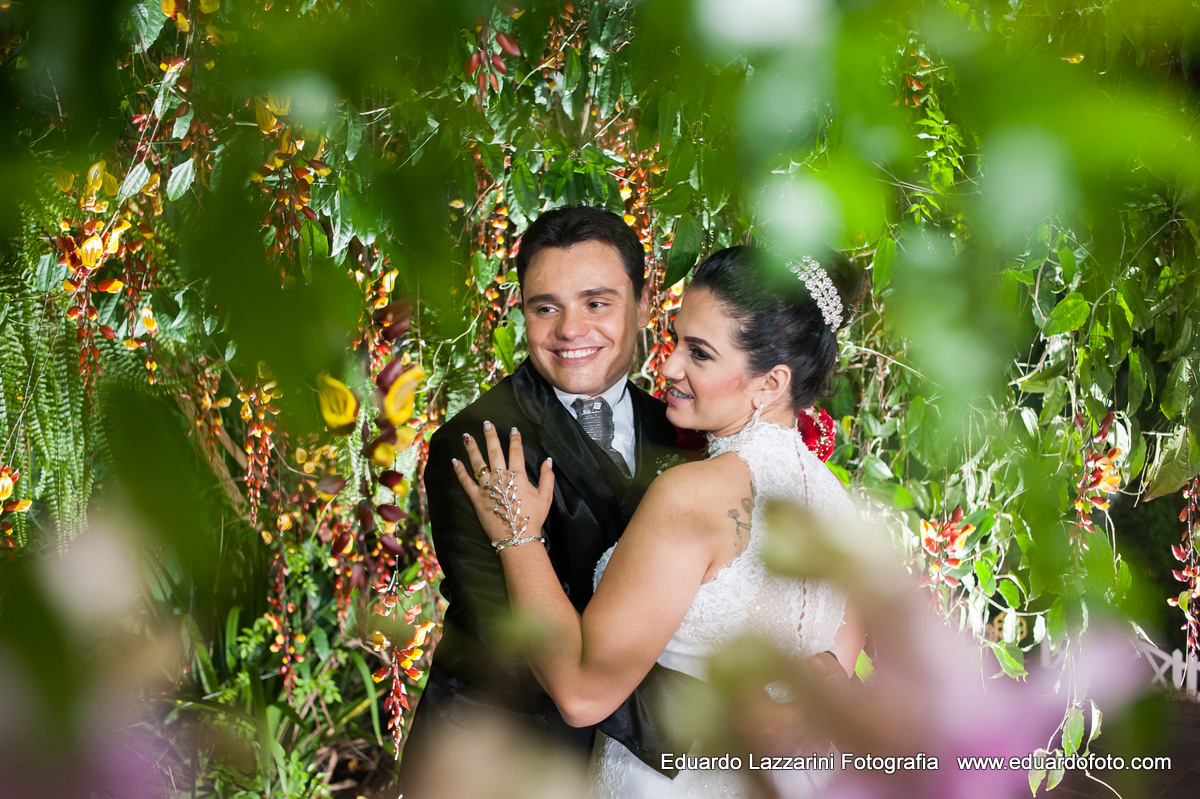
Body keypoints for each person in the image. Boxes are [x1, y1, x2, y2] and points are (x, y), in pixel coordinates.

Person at [452, 245, 869, 798]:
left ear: (769, 384)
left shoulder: (694, 495)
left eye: (699, 354)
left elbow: (581, 694)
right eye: (676, 341)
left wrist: (517, 536)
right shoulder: (839, 510)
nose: (667, 366)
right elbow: (824, 690)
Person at [397, 206, 697, 796]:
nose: (570, 330)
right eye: (545, 307)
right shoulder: (472, 442)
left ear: (643, 304)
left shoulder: (682, 432)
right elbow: (513, 642)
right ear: (523, 313)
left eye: (597, 302)